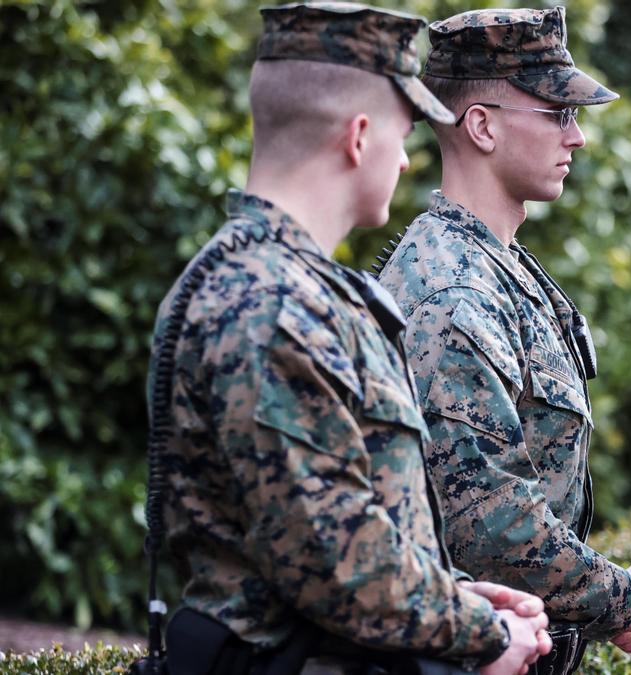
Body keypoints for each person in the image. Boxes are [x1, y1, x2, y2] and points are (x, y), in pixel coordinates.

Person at [149, 3, 552, 673]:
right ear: (358, 137)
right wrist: (482, 631)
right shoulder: (272, 304)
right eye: (401, 133)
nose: (403, 160)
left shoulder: (274, 282)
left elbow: (329, 535)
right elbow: (340, 564)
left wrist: (448, 595)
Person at [372, 6, 631, 672]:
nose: (578, 138)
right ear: (480, 125)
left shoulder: (493, 264)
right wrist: (625, 598)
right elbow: (492, 528)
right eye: (557, 114)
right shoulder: (454, 292)